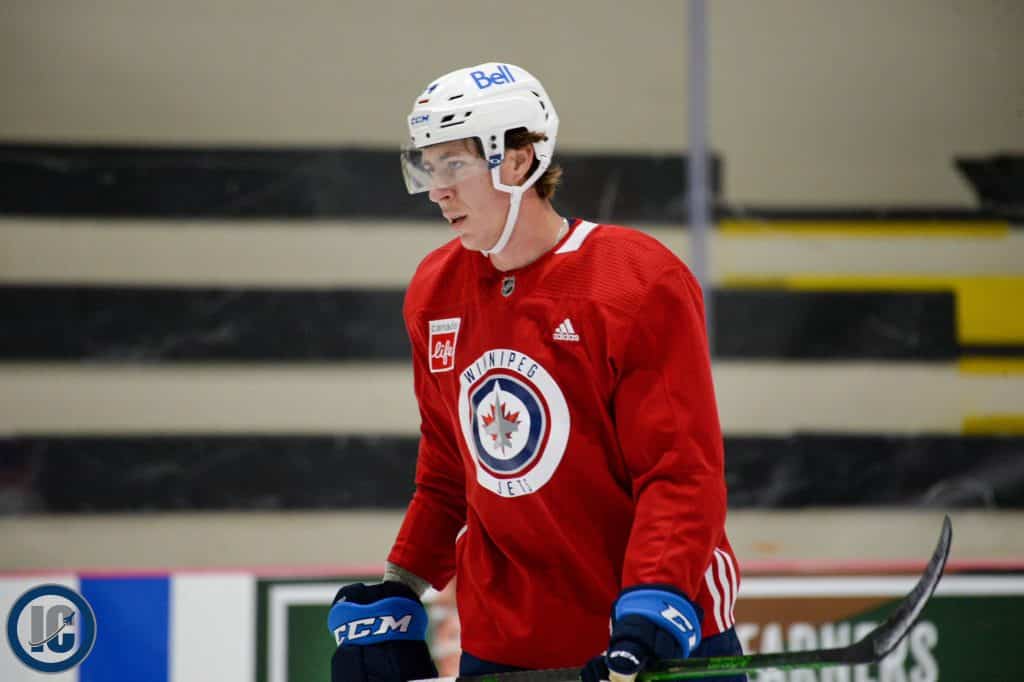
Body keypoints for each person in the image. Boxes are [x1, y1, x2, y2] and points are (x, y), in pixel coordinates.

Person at [328, 62, 745, 682]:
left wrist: (655, 600)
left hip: (648, 629)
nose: (437, 190)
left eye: (453, 165)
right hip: (507, 642)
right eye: (427, 167)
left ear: (519, 160)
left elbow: (680, 470)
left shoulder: (636, 282)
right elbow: (448, 468)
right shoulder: (435, 292)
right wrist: (400, 585)